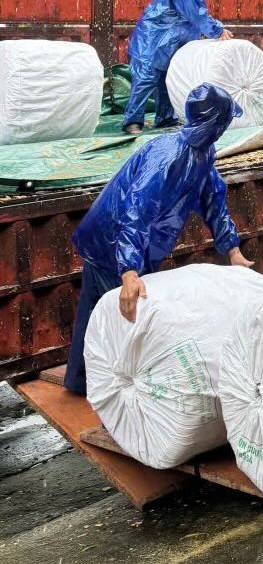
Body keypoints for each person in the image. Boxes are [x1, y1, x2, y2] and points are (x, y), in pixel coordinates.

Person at [65, 83, 253, 396]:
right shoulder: (167, 157)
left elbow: (213, 199)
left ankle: (83, 382)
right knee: (120, 318)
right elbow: (136, 209)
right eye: (225, 120)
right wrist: (128, 271)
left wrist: (231, 249)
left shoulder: (202, 152)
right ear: (215, 123)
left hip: (133, 244)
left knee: (108, 314)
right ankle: (107, 393)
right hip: (112, 241)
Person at [122, 0, 233, 135]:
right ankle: (133, 121)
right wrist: (217, 30)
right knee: (146, 79)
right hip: (154, 39)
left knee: (166, 79)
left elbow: (195, 13)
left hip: (167, 40)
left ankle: (165, 118)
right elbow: (195, 13)